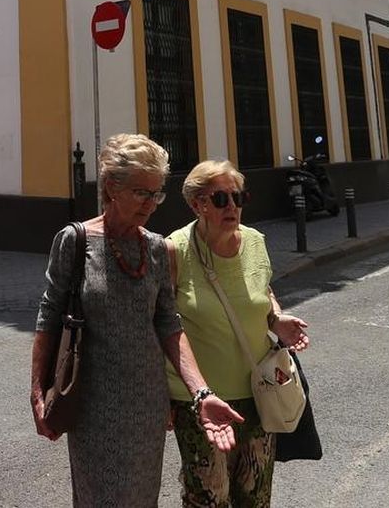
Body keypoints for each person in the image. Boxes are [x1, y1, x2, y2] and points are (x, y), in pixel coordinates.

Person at [32, 133, 243, 507]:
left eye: (157, 193)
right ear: (112, 186)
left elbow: (168, 325)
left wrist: (200, 392)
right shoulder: (75, 241)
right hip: (91, 401)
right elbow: (49, 317)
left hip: (147, 401)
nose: (151, 204)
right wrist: (37, 391)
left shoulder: (158, 249)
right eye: (141, 192)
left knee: (142, 497)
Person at [166, 160, 310, 507]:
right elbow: (162, 323)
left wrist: (276, 320)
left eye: (238, 197)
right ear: (196, 203)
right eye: (220, 199)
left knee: (256, 495)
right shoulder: (175, 250)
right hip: (199, 403)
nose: (232, 206)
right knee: (208, 497)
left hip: (260, 394)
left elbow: (264, 290)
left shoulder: (256, 242)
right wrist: (161, 396)